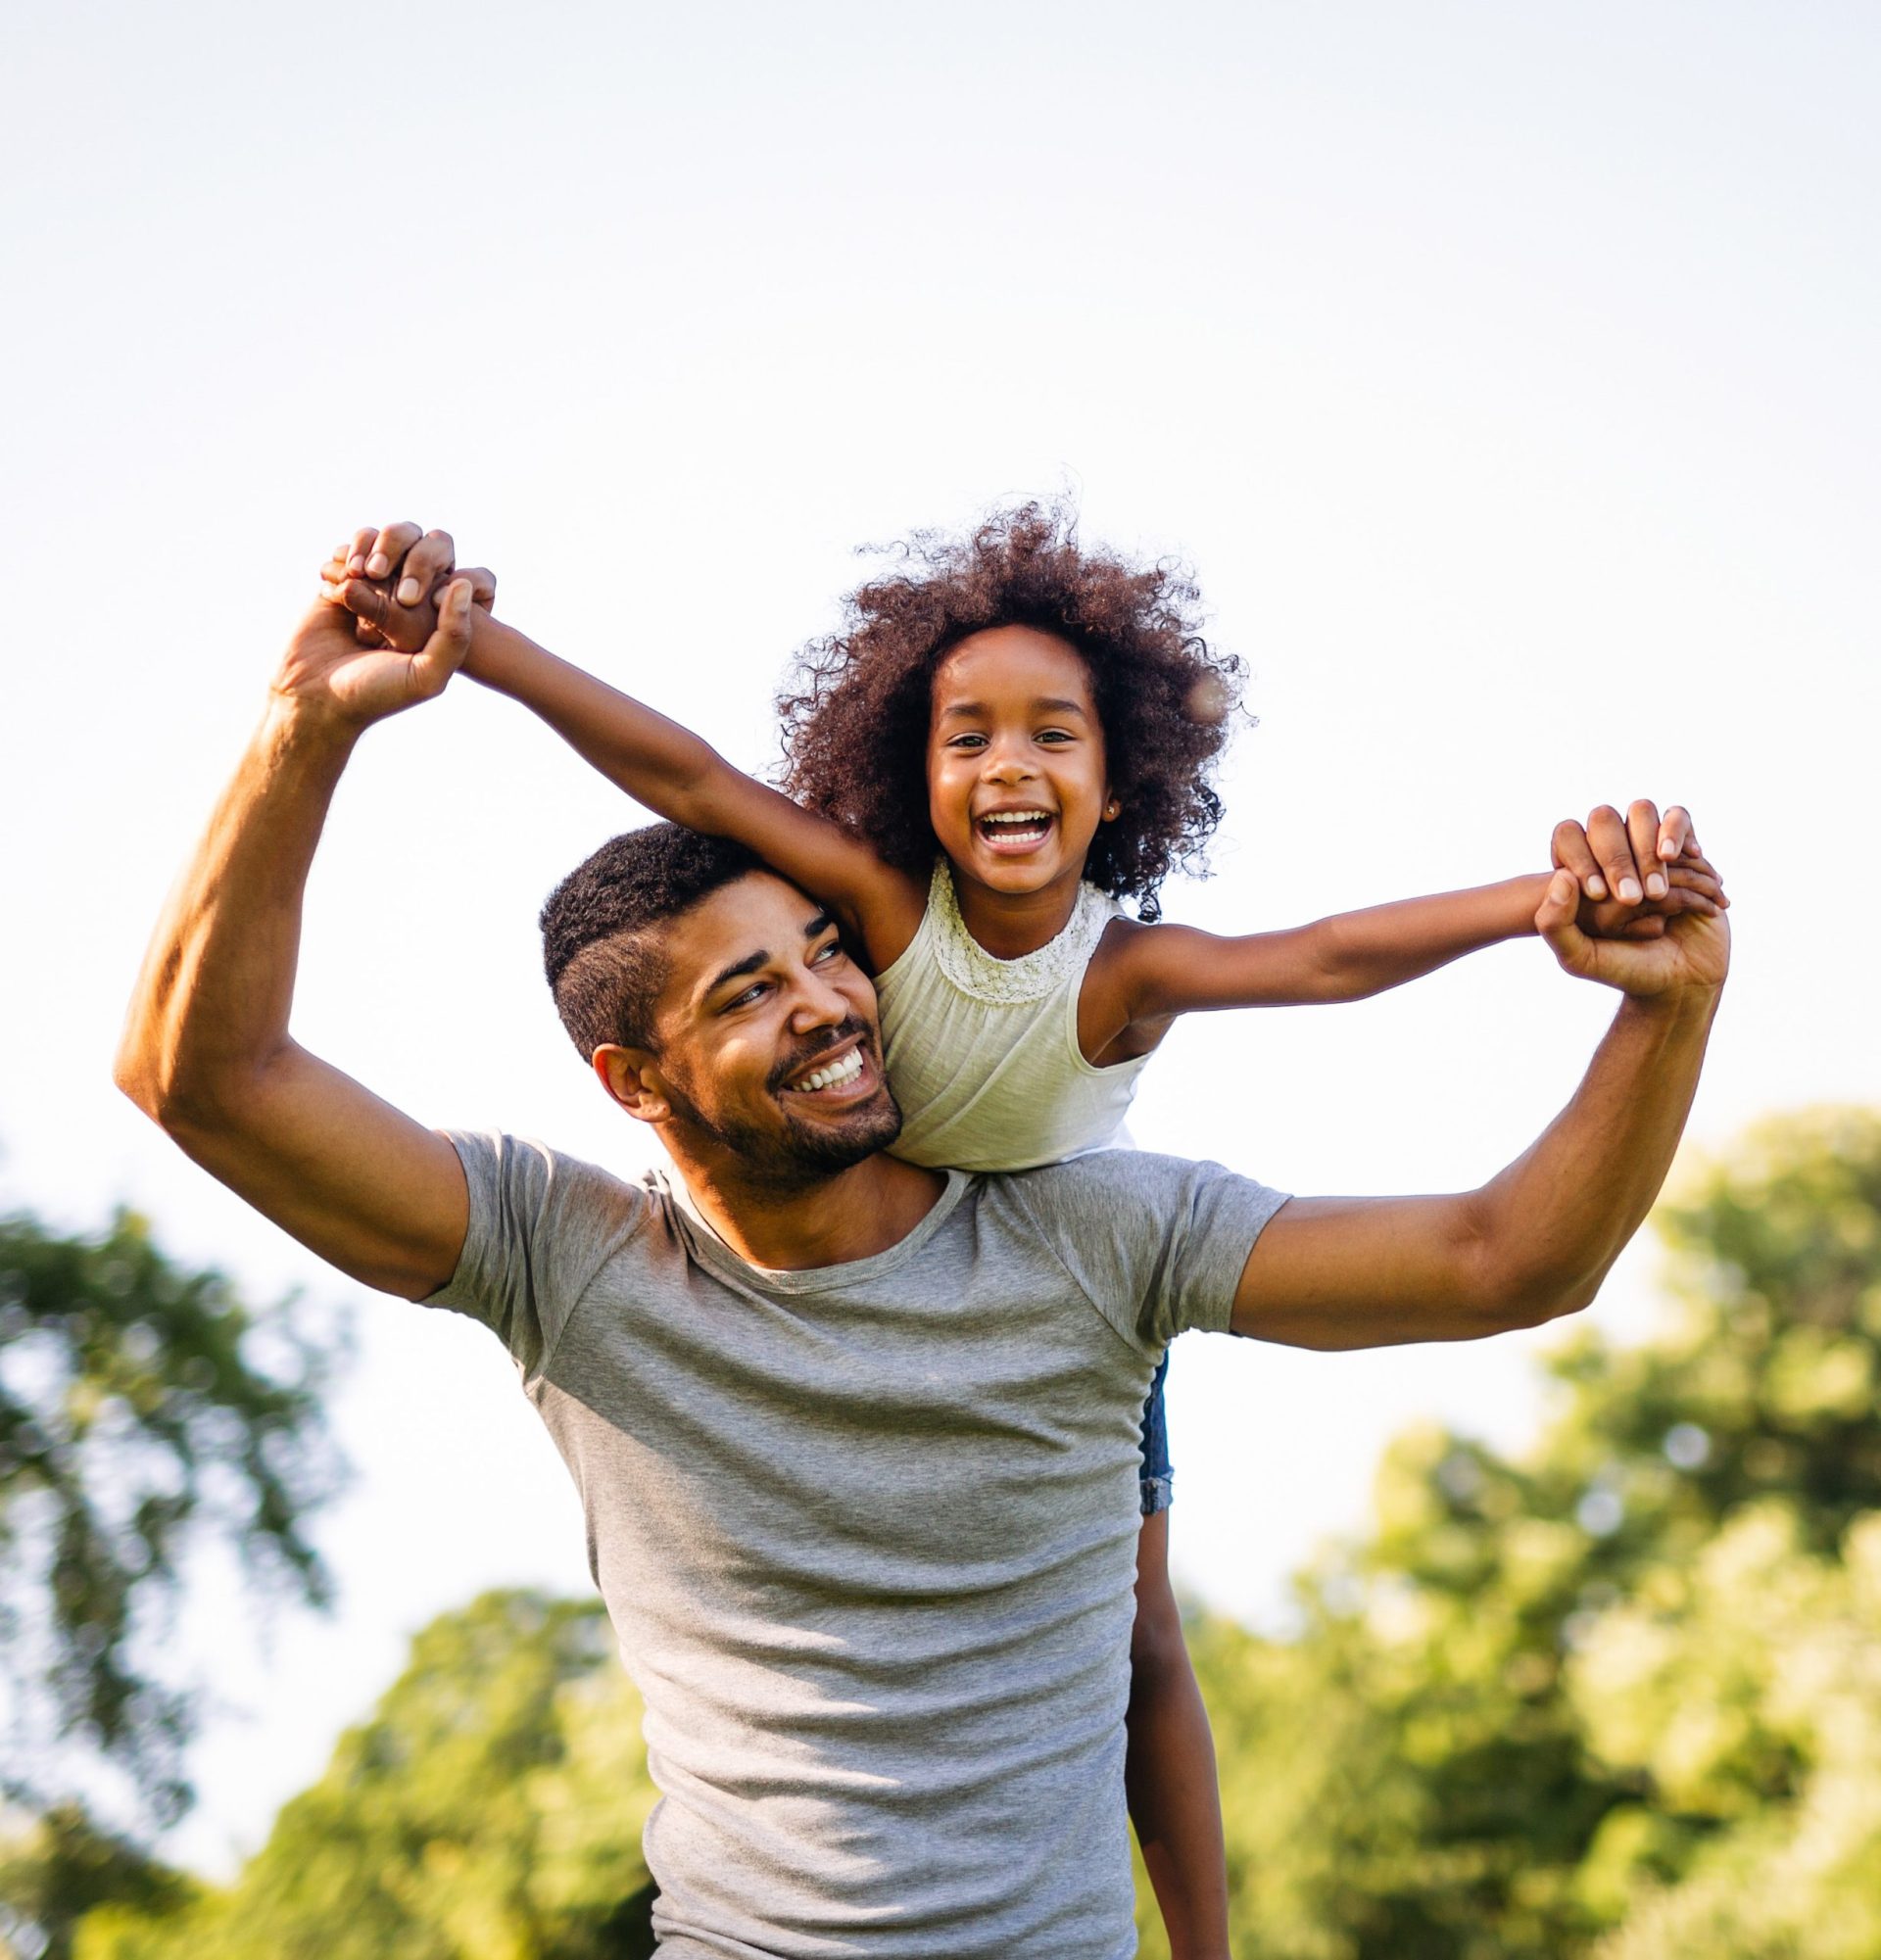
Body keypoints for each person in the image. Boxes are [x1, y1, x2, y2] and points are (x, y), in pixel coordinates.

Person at [116, 562, 1728, 1958]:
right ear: (634, 1079)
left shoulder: (1095, 1233)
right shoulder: (568, 1259)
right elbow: (204, 1074)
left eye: (825, 951)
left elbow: (1505, 1259)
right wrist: (304, 724)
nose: (824, 1000)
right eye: (745, 992)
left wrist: (1666, 1008)